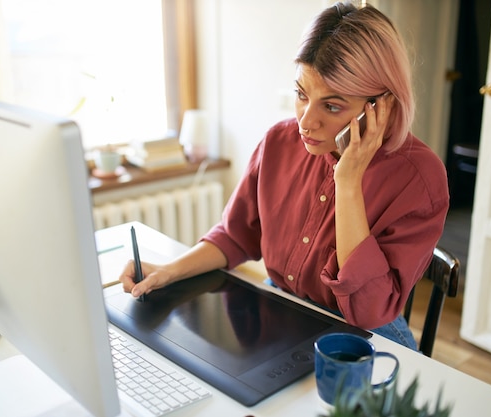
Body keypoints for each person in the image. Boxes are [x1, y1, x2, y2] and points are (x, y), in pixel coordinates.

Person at [118, 1, 449, 350]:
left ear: (382, 106)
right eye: (301, 95)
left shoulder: (420, 179)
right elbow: (235, 235)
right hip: (284, 309)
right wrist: (169, 270)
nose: (306, 121)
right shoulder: (279, 141)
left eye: (332, 106)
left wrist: (348, 183)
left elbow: (368, 311)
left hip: (366, 336)